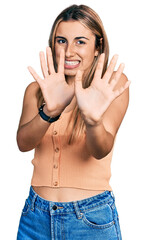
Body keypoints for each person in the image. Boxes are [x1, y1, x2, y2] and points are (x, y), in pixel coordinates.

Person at [16, 4, 130, 240]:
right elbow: (23, 143)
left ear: (98, 47)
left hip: (90, 219)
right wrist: (49, 111)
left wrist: (92, 120)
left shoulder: (111, 86)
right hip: (35, 217)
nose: (68, 51)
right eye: (61, 41)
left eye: (80, 41)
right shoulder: (37, 90)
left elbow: (101, 149)